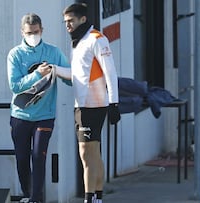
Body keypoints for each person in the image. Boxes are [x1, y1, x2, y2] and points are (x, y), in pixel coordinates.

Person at [7, 13, 70, 203]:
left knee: (39, 156)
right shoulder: (15, 54)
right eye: (28, 33)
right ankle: (29, 195)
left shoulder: (53, 52)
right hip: (20, 115)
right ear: (22, 32)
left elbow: (70, 78)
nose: (32, 36)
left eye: (35, 32)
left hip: (45, 115)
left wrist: (58, 71)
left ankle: (36, 199)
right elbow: (15, 86)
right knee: (22, 160)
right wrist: (37, 75)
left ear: (42, 30)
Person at [62, 3, 121, 203]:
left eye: (71, 21)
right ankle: (97, 198)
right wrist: (52, 69)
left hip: (94, 105)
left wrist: (114, 103)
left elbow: (110, 72)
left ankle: (90, 198)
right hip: (81, 104)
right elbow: (76, 75)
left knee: (86, 153)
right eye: (65, 22)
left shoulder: (97, 38)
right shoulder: (77, 42)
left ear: (83, 19)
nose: (67, 25)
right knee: (93, 153)